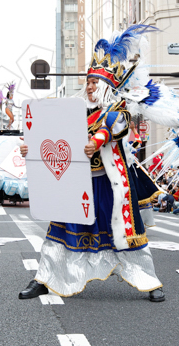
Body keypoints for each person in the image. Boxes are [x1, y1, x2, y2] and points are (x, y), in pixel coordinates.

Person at [19, 25, 166, 302]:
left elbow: (115, 126)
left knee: (126, 235)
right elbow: (49, 138)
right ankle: (45, 277)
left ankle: (149, 281)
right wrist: (31, 147)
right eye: (87, 81)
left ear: (108, 86)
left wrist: (97, 140)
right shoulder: (71, 112)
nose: (89, 86)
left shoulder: (116, 110)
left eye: (94, 82)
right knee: (58, 233)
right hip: (74, 184)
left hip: (109, 184)